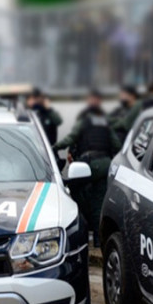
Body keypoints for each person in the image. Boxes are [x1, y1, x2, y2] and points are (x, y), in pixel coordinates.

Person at [54, 89, 121, 247]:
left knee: (74, 191)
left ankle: (80, 232)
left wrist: (54, 147)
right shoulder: (105, 123)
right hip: (105, 165)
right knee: (99, 202)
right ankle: (98, 240)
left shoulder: (84, 121)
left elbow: (70, 138)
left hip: (89, 164)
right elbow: (117, 145)